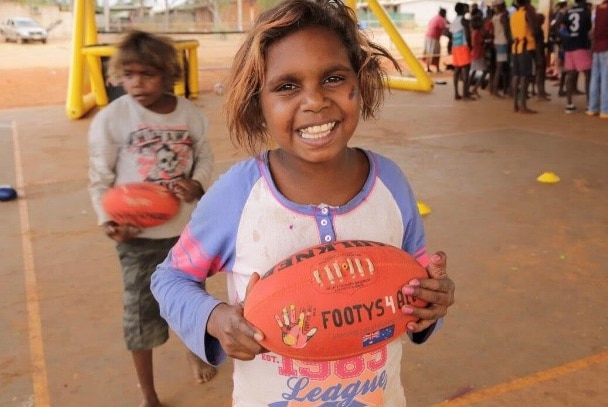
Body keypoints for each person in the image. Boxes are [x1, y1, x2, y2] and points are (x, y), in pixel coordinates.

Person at [151, 1, 456, 406]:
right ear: (257, 103)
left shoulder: (391, 185)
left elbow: (415, 285)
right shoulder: (239, 196)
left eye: (333, 78)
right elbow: (169, 279)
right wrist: (215, 318)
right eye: (287, 86)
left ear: (359, 83)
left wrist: (432, 300)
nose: (314, 101)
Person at [87, 30, 216, 407]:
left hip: (184, 235)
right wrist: (109, 223)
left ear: (168, 73)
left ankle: (194, 352)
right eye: (129, 75)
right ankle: (150, 394)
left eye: (147, 74)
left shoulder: (189, 114)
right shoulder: (113, 118)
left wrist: (196, 183)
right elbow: (100, 176)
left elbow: (204, 157)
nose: (137, 83)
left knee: (190, 303)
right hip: (137, 239)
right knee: (140, 317)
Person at [561, 0, 593, 113]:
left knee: (570, 75)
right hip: (581, 45)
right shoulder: (585, 12)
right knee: (588, 75)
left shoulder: (568, 12)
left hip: (569, 46)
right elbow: (588, 28)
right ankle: (590, 104)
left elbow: (562, 27)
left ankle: (569, 104)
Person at [509, 0, 538, 113]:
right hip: (526, 47)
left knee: (516, 75)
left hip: (515, 47)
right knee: (525, 76)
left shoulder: (514, 15)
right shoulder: (527, 13)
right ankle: (523, 106)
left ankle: (515, 104)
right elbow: (534, 30)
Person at [587, 0, 608, 118]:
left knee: (594, 78)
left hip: (596, 47)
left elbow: (593, 30)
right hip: (606, 47)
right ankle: (605, 109)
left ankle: (592, 108)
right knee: (606, 79)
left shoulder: (597, 10)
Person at [451, 2, 475, 99]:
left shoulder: (454, 20)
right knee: (466, 70)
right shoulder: (464, 21)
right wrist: (470, 46)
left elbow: (451, 34)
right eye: (466, 8)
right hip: (463, 47)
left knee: (457, 70)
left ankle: (456, 93)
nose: (467, 9)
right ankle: (465, 93)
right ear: (463, 10)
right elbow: (467, 34)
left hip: (455, 47)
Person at [491, 0, 511, 97]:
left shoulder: (494, 17)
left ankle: (499, 88)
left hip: (497, 42)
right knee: (500, 67)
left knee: (500, 67)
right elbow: (507, 31)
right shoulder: (503, 17)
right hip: (503, 43)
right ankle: (496, 90)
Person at [423, 7, 449, 73]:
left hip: (429, 37)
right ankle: (435, 68)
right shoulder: (440, 19)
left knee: (429, 52)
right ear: (444, 13)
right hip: (433, 38)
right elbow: (445, 29)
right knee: (435, 52)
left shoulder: (436, 17)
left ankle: (429, 67)